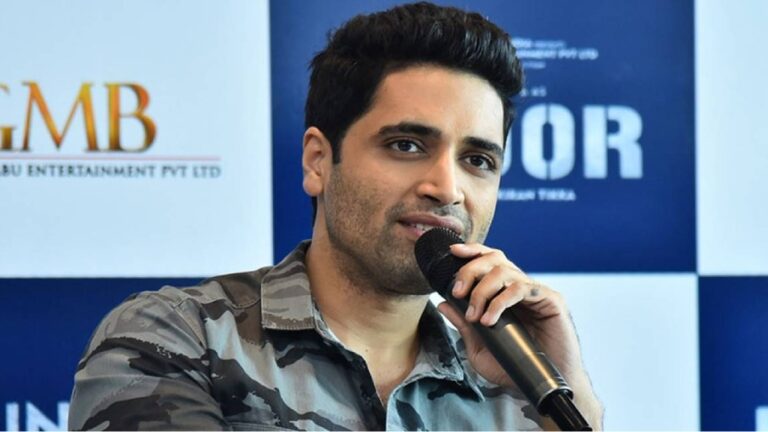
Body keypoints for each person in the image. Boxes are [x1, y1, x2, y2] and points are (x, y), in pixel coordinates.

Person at [69, 2, 604, 430]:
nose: (447, 188)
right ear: (318, 161)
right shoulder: (178, 337)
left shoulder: (516, 385)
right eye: (406, 145)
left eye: (478, 160)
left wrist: (567, 399)